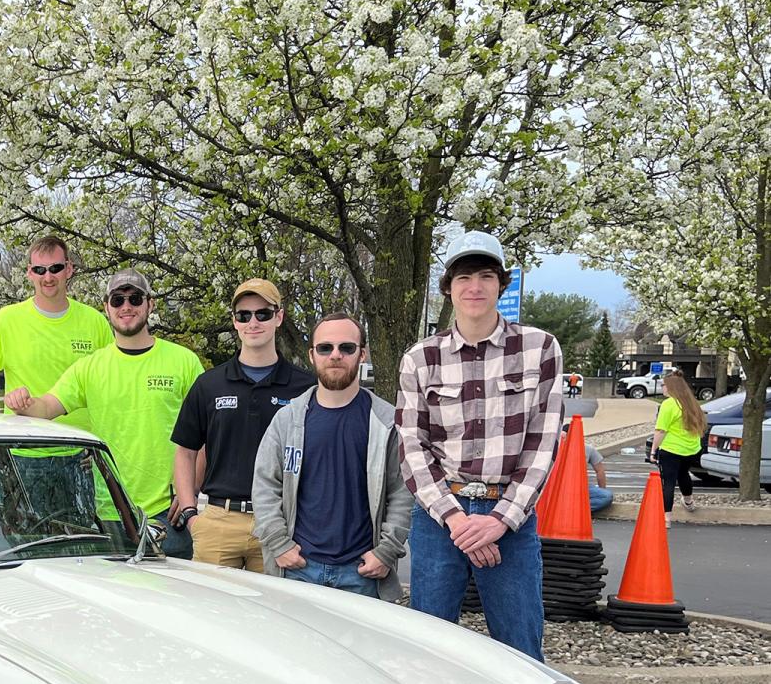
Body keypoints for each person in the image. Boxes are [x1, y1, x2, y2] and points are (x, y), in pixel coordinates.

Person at [395, 230, 562, 660]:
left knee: (521, 651)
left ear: (501, 285)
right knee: (429, 650)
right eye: (464, 277)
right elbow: (412, 447)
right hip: (439, 518)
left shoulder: (539, 349)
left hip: (509, 517)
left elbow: (543, 443)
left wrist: (500, 521)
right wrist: (456, 520)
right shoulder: (420, 358)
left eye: (486, 276)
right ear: (448, 288)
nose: (475, 287)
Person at [4, 270, 203, 555]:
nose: (126, 306)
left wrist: (189, 492)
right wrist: (23, 403)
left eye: (135, 298)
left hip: (169, 516)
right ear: (106, 308)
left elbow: (206, 434)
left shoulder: (184, 362)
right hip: (111, 514)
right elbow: (46, 407)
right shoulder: (89, 367)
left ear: (150, 304)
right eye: (117, 300)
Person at [0, 236, 112, 518]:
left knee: (83, 543)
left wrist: (101, 446)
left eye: (55, 268)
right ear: (29, 273)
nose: (48, 277)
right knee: (25, 543)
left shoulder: (95, 322)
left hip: (80, 457)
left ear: (69, 269)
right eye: (40, 270)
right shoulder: (7, 321)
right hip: (22, 458)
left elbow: (111, 390)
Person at [251, 315, 412, 598]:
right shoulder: (288, 420)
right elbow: (265, 486)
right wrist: (279, 544)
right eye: (325, 348)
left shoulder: (386, 422)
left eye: (346, 348)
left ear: (362, 354)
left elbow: (402, 492)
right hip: (298, 569)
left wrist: (386, 552)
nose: (335, 355)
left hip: (362, 574)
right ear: (312, 355)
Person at [169, 278, 316, 570]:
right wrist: (190, 513)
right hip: (218, 522)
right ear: (235, 321)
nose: (253, 322)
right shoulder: (209, 384)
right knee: (211, 601)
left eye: (263, 314)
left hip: (280, 524)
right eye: (244, 315)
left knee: (274, 602)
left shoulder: (305, 387)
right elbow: (185, 451)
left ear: (279, 317)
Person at [646, 369, 706, 525]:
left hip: (671, 449)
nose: (662, 388)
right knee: (683, 474)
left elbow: (661, 430)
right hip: (691, 449)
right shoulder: (691, 403)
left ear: (671, 387)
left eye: (664, 385)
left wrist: (653, 451)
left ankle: (667, 517)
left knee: (668, 482)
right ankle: (688, 501)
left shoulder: (668, 405)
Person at [585, 443, 613, 513]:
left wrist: (602, 490)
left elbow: (600, 470)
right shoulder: (559, 447)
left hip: (582, 487)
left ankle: (577, 509)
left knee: (606, 496)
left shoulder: (588, 448)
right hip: (561, 488)